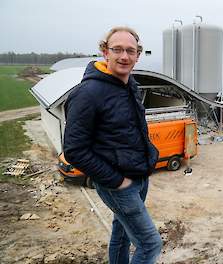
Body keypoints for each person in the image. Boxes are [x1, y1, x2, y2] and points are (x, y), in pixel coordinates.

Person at [63, 26, 162, 264]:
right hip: (119, 183)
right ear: (105, 52)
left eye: (131, 51)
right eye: (117, 49)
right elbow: (75, 150)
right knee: (150, 244)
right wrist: (118, 181)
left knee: (122, 233)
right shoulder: (88, 93)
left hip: (139, 175)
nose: (124, 56)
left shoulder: (130, 86)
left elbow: (134, 129)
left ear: (138, 55)